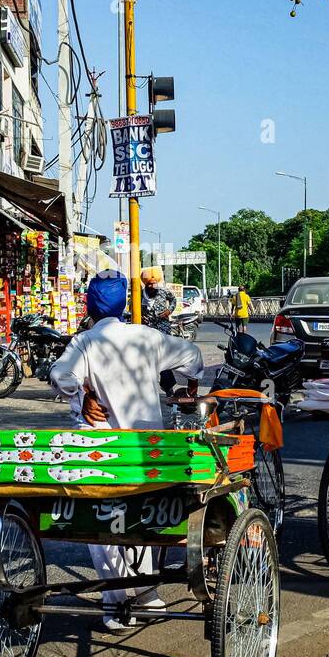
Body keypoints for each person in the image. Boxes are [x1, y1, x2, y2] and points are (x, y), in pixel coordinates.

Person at [49, 271, 204, 632]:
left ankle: (116, 602)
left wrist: (83, 392)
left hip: (102, 453)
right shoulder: (146, 337)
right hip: (145, 452)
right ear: (123, 304)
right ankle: (146, 595)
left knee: (101, 524)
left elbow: (61, 375)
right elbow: (192, 356)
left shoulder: (85, 341)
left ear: (89, 304)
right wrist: (189, 383)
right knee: (146, 518)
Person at [140, 266, 179, 395]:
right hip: (147, 330)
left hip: (163, 328)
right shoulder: (140, 294)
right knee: (147, 359)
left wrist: (169, 311)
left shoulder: (163, 291)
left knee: (163, 359)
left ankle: (168, 387)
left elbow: (173, 299)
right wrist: (140, 318)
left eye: (153, 284)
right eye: (149, 284)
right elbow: (133, 307)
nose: (151, 286)